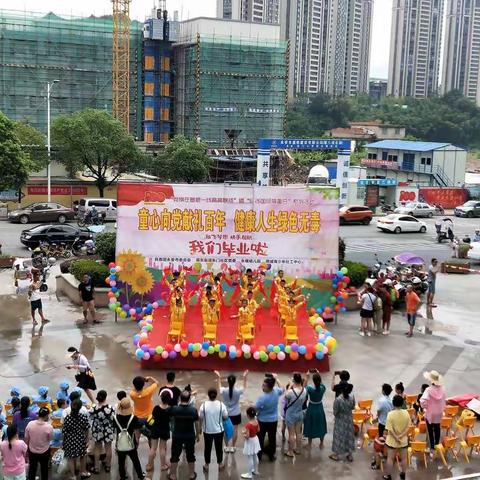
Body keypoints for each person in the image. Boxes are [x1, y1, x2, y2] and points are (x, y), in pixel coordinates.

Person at [214, 369, 248, 453]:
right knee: (235, 430)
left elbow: (219, 386)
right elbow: (244, 387)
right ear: (235, 382)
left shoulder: (224, 390)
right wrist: (244, 377)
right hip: (236, 412)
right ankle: (233, 446)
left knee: (225, 429)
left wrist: (219, 377)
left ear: (227, 381)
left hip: (225, 413)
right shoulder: (238, 391)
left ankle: (226, 446)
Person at [169, 390, 200, 480]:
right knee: (190, 455)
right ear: (189, 399)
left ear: (180, 398)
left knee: (175, 455)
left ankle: (173, 475)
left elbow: (169, 417)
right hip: (190, 436)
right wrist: (197, 435)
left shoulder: (175, 409)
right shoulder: (193, 410)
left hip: (177, 435)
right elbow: (197, 424)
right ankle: (191, 474)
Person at [113, 398, 145, 480]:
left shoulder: (115, 418)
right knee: (135, 460)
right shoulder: (133, 418)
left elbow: (114, 429)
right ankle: (140, 476)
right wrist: (137, 439)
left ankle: (123, 477)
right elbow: (137, 429)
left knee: (121, 462)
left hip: (120, 443)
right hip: (131, 442)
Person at [255, 373, 284, 462]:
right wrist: (277, 379)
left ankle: (259, 456)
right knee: (272, 438)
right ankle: (271, 456)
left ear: (269, 387)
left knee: (260, 438)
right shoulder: (276, 391)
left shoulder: (262, 398)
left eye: (264, 385)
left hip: (262, 420)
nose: (262, 386)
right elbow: (283, 389)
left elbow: (256, 408)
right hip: (273, 420)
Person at [199, 387, 228, 473]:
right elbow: (225, 416)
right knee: (219, 448)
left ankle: (206, 465)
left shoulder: (203, 405)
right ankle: (220, 464)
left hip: (207, 431)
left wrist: (200, 428)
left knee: (207, 448)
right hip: (219, 431)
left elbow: (200, 417)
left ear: (208, 395)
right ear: (216, 395)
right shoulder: (221, 404)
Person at [382, 395, 411, 480]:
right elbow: (408, 427)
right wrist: (401, 436)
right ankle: (403, 474)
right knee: (404, 458)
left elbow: (389, 429)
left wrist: (396, 437)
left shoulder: (390, 414)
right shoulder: (406, 413)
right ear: (402, 403)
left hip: (392, 441)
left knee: (390, 458)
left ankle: (388, 476)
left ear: (393, 403)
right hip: (403, 441)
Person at [62, 398, 90, 479]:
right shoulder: (83, 417)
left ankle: (73, 475)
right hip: (80, 439)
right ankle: (83, 472)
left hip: (69, 440)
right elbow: (86, 429)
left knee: (71, 458)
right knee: (83, 456)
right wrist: (87, 440)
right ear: (80, 408)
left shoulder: (67, 418)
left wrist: (63, 442)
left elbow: (64, 432)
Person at [420, 370, 446, 451]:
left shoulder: (428, 390)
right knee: (437, 428)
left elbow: (423, 401)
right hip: (439, 412)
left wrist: (426, 407)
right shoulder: (443, 389)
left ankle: (432, 446)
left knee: (430, 430)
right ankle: (437, 444)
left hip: (430, 413)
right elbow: (444, 399)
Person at [146, 390, 171, 473]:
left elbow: (152, 418)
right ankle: (163, 465)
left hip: (155, 429)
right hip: (164, 430)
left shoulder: (156, 408)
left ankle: (149, 465)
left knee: (153, 448)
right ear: (169, 399)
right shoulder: (170, 409)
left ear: (161, 398)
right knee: (162, 449)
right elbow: (171, 420)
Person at [90, 390, 114, 474]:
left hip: (97, 429)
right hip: (108, 429)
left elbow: (91, 418)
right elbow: (112, 419)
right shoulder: (110, 408)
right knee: (108, 448)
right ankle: (108, 466)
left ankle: (96, 467)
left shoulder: (93, 408)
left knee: (97, 448)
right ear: (105, 397)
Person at [24, 407, 53, 480]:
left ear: (38, 414)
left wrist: (27, 449)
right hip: (44, 451)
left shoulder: (30, 424)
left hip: (32, 450)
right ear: (46, 416)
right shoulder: (49, 427)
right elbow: (50, 439)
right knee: (44, 469)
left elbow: (26, 438)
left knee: (32, 469)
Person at [330, 383, 355, 462]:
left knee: (339, 436)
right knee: (349, 436)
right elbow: (353, 407)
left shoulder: (338, 400)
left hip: (340, 420)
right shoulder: (352, 398)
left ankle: (336, 454)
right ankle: (350, 454)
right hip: (349, 419)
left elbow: (335, 412)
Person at [284, 372, 307, 457]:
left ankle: (290, 451)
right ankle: (298, 449)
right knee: (298, 433)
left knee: (291, 434)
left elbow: (285, 396)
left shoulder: (291, 392)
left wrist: (290, 385)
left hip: (291, 414)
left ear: (294, 381)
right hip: (299, 413)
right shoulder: (304, 390)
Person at [303, 370, 327, 449]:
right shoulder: (322, 388)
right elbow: (322, 384)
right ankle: (321, 443)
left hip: (311, 407)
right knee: (321, 424)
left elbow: (303, 388)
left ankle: (309, 444)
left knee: (310, 424)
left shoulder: (310, 389)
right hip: (320, 407)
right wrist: (318, 374)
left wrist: (307, 377)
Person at [240, 407, 261, 479]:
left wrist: (243, 433)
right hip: (255, 439)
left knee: (249, 458)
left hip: (250, 442)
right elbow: (258, 430)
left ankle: (249, 474)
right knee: (255, 455)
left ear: (248, 415)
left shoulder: (248, 425)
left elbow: (248, 436)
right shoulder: (256, 421)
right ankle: (256, 470)